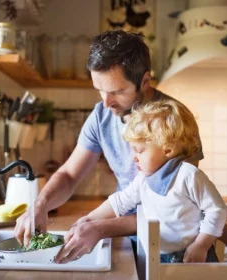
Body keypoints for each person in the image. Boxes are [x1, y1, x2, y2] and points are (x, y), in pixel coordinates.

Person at [14, 30, 204, 263]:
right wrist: (40, 205)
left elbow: (174, 209)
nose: (106, 101)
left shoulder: (175, 121)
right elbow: (69, 174)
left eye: (117, 91)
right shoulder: (101, 115)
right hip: (129, 236)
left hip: (174, 247)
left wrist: (103, 227)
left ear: (145, 81)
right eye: (100, 89)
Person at [76, 99, 227, 263]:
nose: (134, 157)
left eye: (139, 151)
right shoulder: (144, 179)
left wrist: (201, 245)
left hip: (190, 257)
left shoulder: (188, 175)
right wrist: (89, 219)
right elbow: (119, 202)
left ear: (168, 149)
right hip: (158, 258)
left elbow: (217, 210)